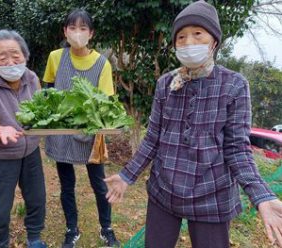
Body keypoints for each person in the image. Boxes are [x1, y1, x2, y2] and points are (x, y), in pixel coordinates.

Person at [104, 1, 282, 248]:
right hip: (164, 190)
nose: (189, 43)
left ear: (214, 42)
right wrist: (126, 175)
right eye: (181, 37)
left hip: (213, 193)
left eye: (198, 34)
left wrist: (261, 196)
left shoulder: (234, 85)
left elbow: (237, 150)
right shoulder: (166, 84)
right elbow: (153, 137)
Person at [43, 9, 120, 248]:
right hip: (62, 132)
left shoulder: (101, 63)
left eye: (83, 28)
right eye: (72, 28)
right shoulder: (56, 57)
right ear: (65, 31)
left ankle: (106, 228)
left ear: (91, 33)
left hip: (90, 133)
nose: (77, 33)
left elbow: (106, 101)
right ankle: (71, 229)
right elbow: (48, 89)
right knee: (67, 185)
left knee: (99, 184)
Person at [0, 30, 47, 248]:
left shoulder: (31, 78)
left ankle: (34, 237)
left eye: (16, 55)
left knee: (37, 197)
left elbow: (41, 112)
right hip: (0, 155)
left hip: (30, 151)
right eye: (3, 58)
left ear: (25, 56)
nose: (11, 62)